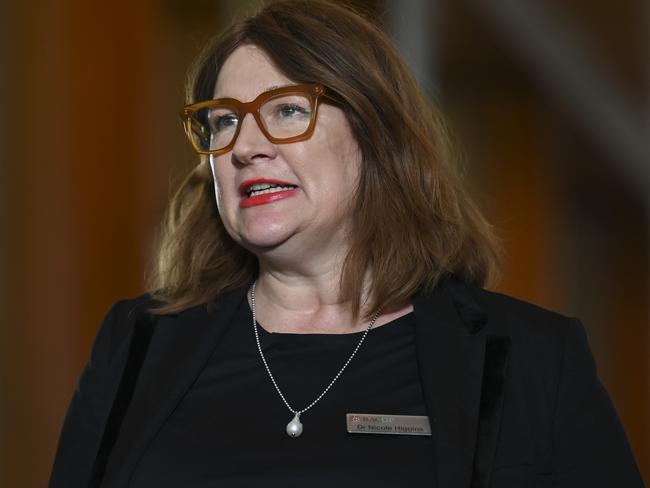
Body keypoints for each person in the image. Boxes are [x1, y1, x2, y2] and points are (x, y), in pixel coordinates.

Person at [49, 1, 645, 487]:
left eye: (285, 110)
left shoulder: (533, 359)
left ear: (372, 134)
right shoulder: (137, 346)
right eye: (224, 120)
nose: (245, 146)